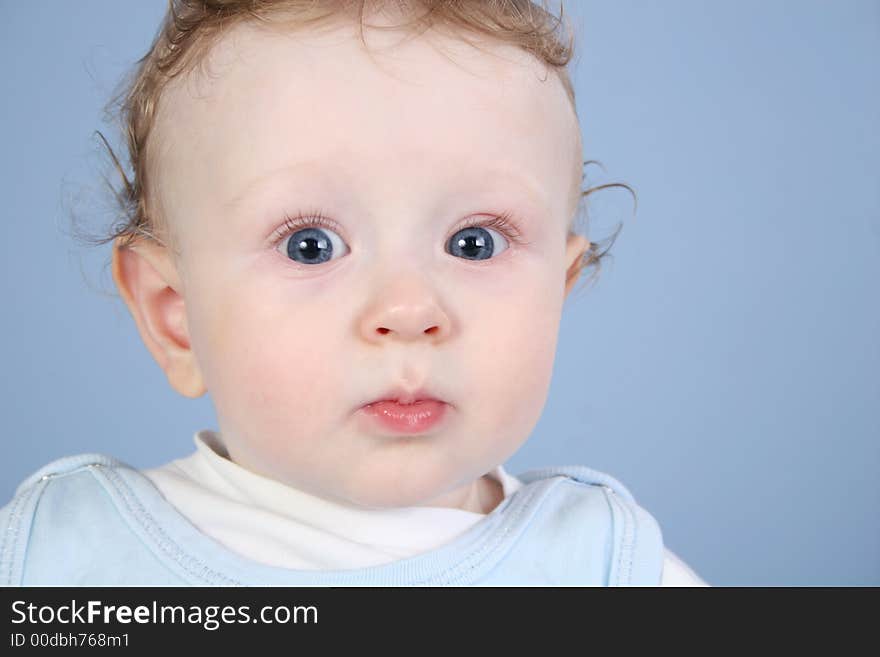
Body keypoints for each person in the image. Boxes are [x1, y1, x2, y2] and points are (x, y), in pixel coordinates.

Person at [0, 0, 707, 586]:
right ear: (174, 315)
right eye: (311, 245)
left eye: (475, 242)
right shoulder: (59, 561)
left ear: (558, 292)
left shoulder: (607, 572)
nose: (408, 310)